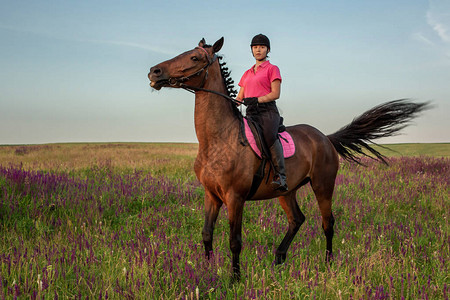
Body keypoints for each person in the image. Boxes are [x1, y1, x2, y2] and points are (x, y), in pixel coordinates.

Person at [237, 34, 288, 191]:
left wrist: (256, 100)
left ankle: (281, 177)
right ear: (252, 50)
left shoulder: (273, 69)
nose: (258, 50)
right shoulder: (247, 73)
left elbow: (275, 94)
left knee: (268, 136)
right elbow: (240, 97)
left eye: (262, 47)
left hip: (267, 112)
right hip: (251, 112)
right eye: (255, 47)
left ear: (268, 50)